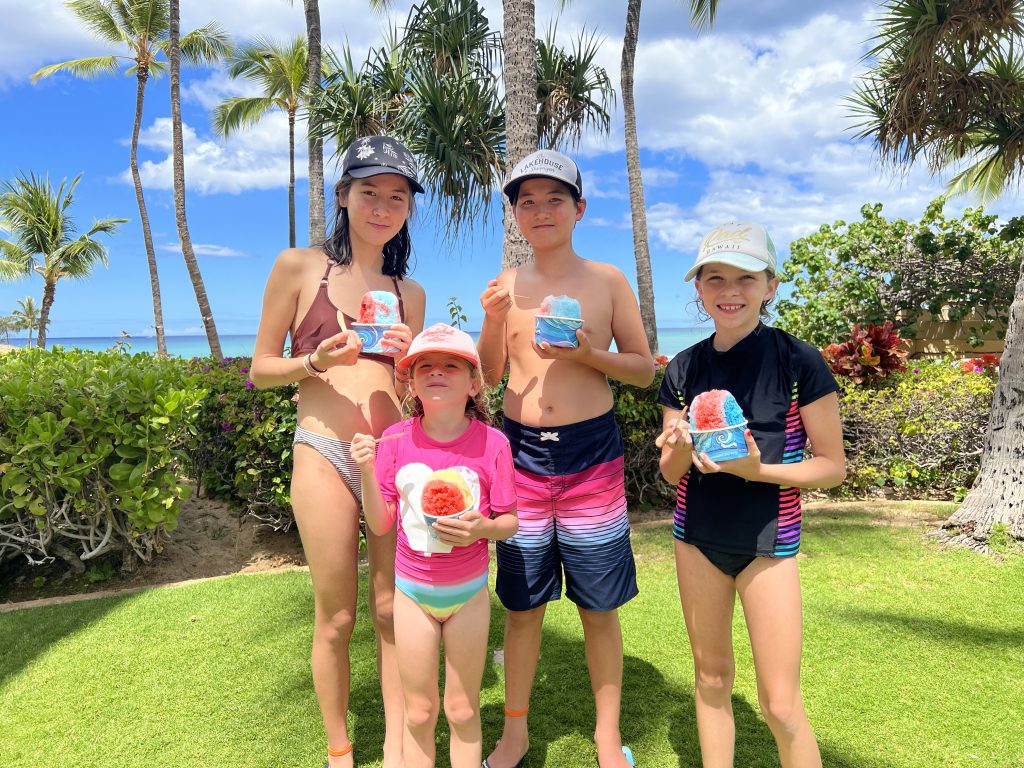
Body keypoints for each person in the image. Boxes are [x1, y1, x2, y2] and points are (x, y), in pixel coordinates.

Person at [249, 135, 426, 768]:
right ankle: (339, 749)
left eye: (397, 197)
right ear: (344, 195)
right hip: (321, 451)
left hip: (389, 454)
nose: (382, 206)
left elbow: (411, 392)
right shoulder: (300, 267)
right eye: (370, 191)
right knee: (337, 616)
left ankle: (400, 742)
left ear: (407, 209)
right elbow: (261, 368)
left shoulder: (410, 292)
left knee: (390, 609)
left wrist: (411, 362)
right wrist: (313, 359)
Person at [477, 149, 654, 768]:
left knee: (598, 607)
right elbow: (491, 375)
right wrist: (491, 322)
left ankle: (608, 737)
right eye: (527, 200)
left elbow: (640, 368)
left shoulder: (606, 280)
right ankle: (515, 733)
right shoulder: (504, 287)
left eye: (555, 198)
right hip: (520, 455)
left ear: (579, 208)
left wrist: (588, 356)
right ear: (517, 215)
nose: (541, 210)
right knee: (522, 607)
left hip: (591, 456)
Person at [655, 222, 846, 768]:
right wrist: (676, 443)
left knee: (781, 703)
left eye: (745, 277)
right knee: (711, 677)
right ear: (699, 289)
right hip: (696, 539)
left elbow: (832, 467)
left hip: (770, 542)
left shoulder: (798, 361)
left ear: (770, 286)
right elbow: (671, 474)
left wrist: (758, 470)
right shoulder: (684, 366)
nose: (729, 290)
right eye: (714, 278)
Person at [349, 323, 519, 768]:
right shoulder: (395, 440)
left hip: (469, 597)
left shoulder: (494, 443)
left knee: (462, 710)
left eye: (451, 365)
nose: (437, 372)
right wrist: (367, 471)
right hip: (413, 596)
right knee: (420, 712)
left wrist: (482, 528)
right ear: (411, 381)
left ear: (474, 383)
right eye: (425, 365)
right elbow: (382, 523)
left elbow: (510, 522)